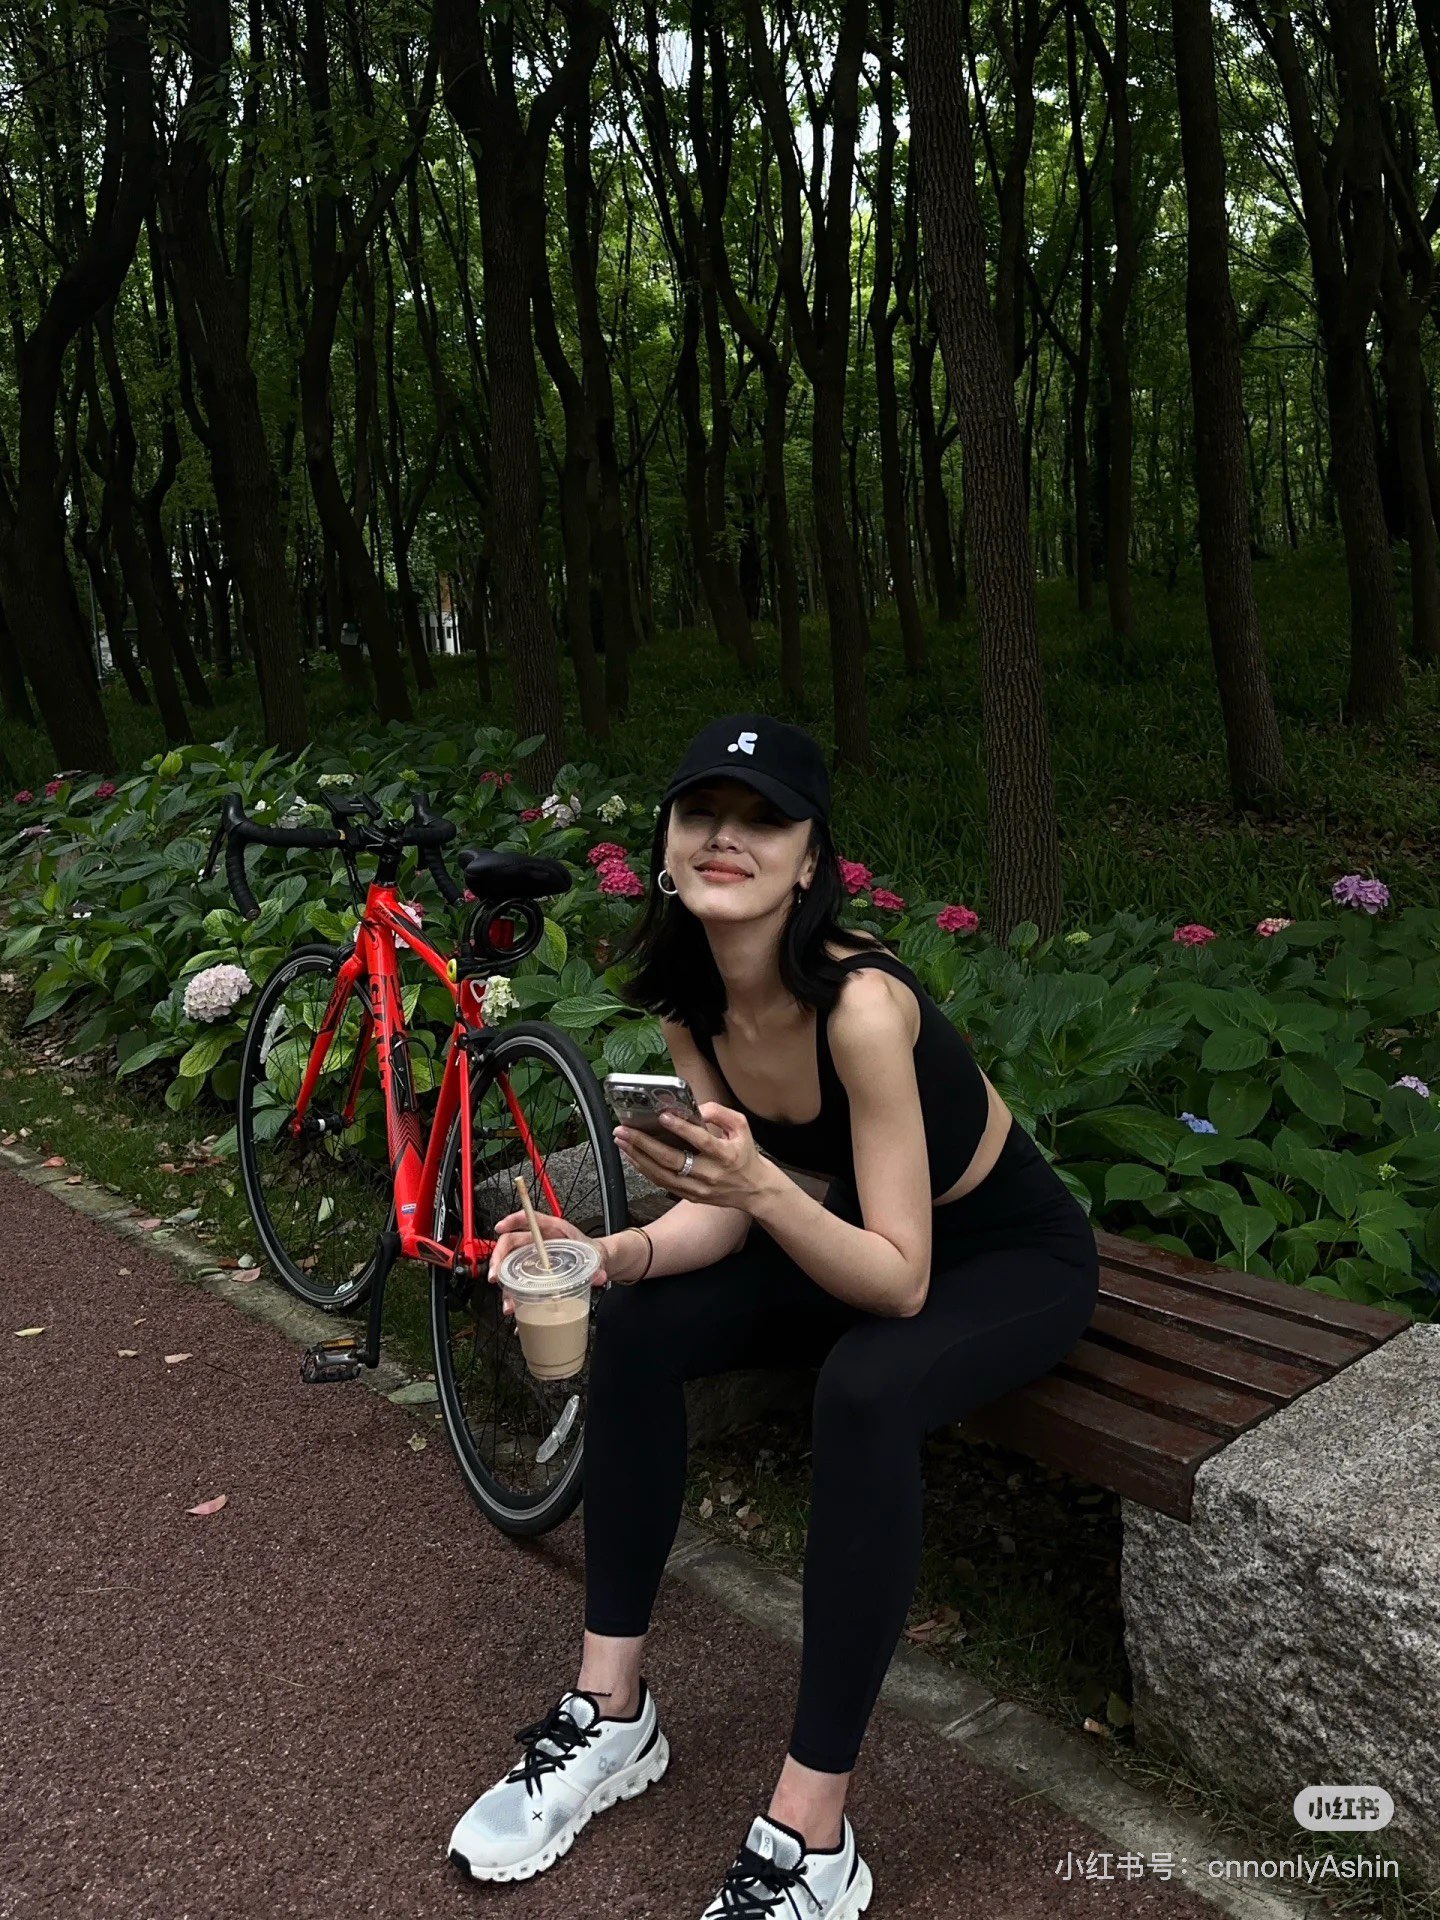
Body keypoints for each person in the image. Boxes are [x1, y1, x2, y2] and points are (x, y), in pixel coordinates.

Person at [447, 713, 1100, 1915]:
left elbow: (900, 1282)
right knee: (635, 1326)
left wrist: (756, 1190)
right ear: (665, 850)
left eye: (764, 820)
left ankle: (812, 1833)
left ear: (811, 863)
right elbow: (730, 1212)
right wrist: (610, 1252)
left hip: (1005, 1260)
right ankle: (612, 1710)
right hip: (846, 1231)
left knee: (866, 1387)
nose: (726, 837)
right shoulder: (690, 1003)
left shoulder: (862, 1007)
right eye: (702, 814)